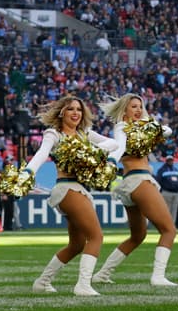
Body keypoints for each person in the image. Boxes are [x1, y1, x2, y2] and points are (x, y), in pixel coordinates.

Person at [27, 95, 120, 297]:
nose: (76, 113)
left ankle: (42, 282)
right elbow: (42, 154)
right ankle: (83, 285)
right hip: (67, 188)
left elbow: (113, 144)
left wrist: (89, 151)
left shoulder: (84, 133)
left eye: (79, 109)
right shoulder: (54, 134)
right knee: (96, 236)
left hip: (77, 188)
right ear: (61, 112)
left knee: (76, 244)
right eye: (70, 109)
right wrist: (27, 172)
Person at [92, 94, 178, 287]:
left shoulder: (140, 128)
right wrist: (113, 159)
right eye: (134, 107)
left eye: (140, 106)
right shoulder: (122, 127)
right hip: (140, 180)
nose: (139, 110)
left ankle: (103, 273)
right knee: (169, 230)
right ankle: (158, 276)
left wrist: (149, 125)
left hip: (131, 184)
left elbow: (167, 131)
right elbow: (120, 145)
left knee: (138, 235)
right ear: (125, 110)